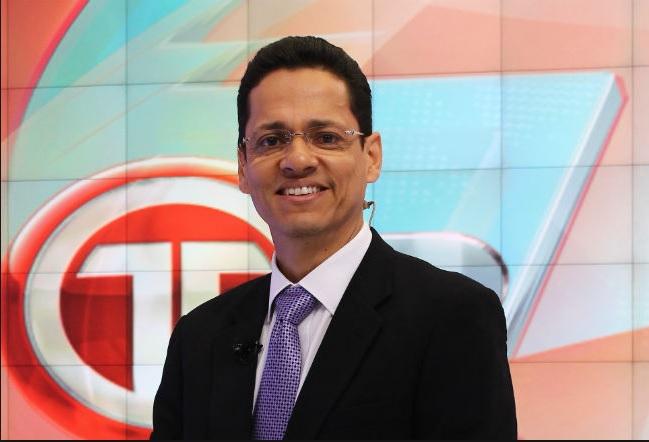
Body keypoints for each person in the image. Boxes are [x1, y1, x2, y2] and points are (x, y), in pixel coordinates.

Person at [151, 36, 517, 440]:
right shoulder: (199, 337)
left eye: (326, 137)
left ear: (371, 157)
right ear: (243, 166)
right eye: (272, 140)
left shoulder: (452, 316)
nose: (297, 160)